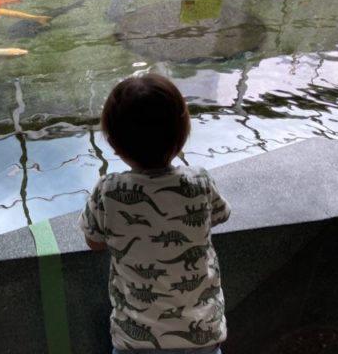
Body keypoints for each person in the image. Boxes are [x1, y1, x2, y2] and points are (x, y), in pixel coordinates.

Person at [79, 73, 231, 354]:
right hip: (203, 334)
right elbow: (221, 215)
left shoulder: (108, 190)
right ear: (183, 134)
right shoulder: (199, 181)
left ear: (113, 144)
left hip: (135, 339)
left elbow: (94, 242)